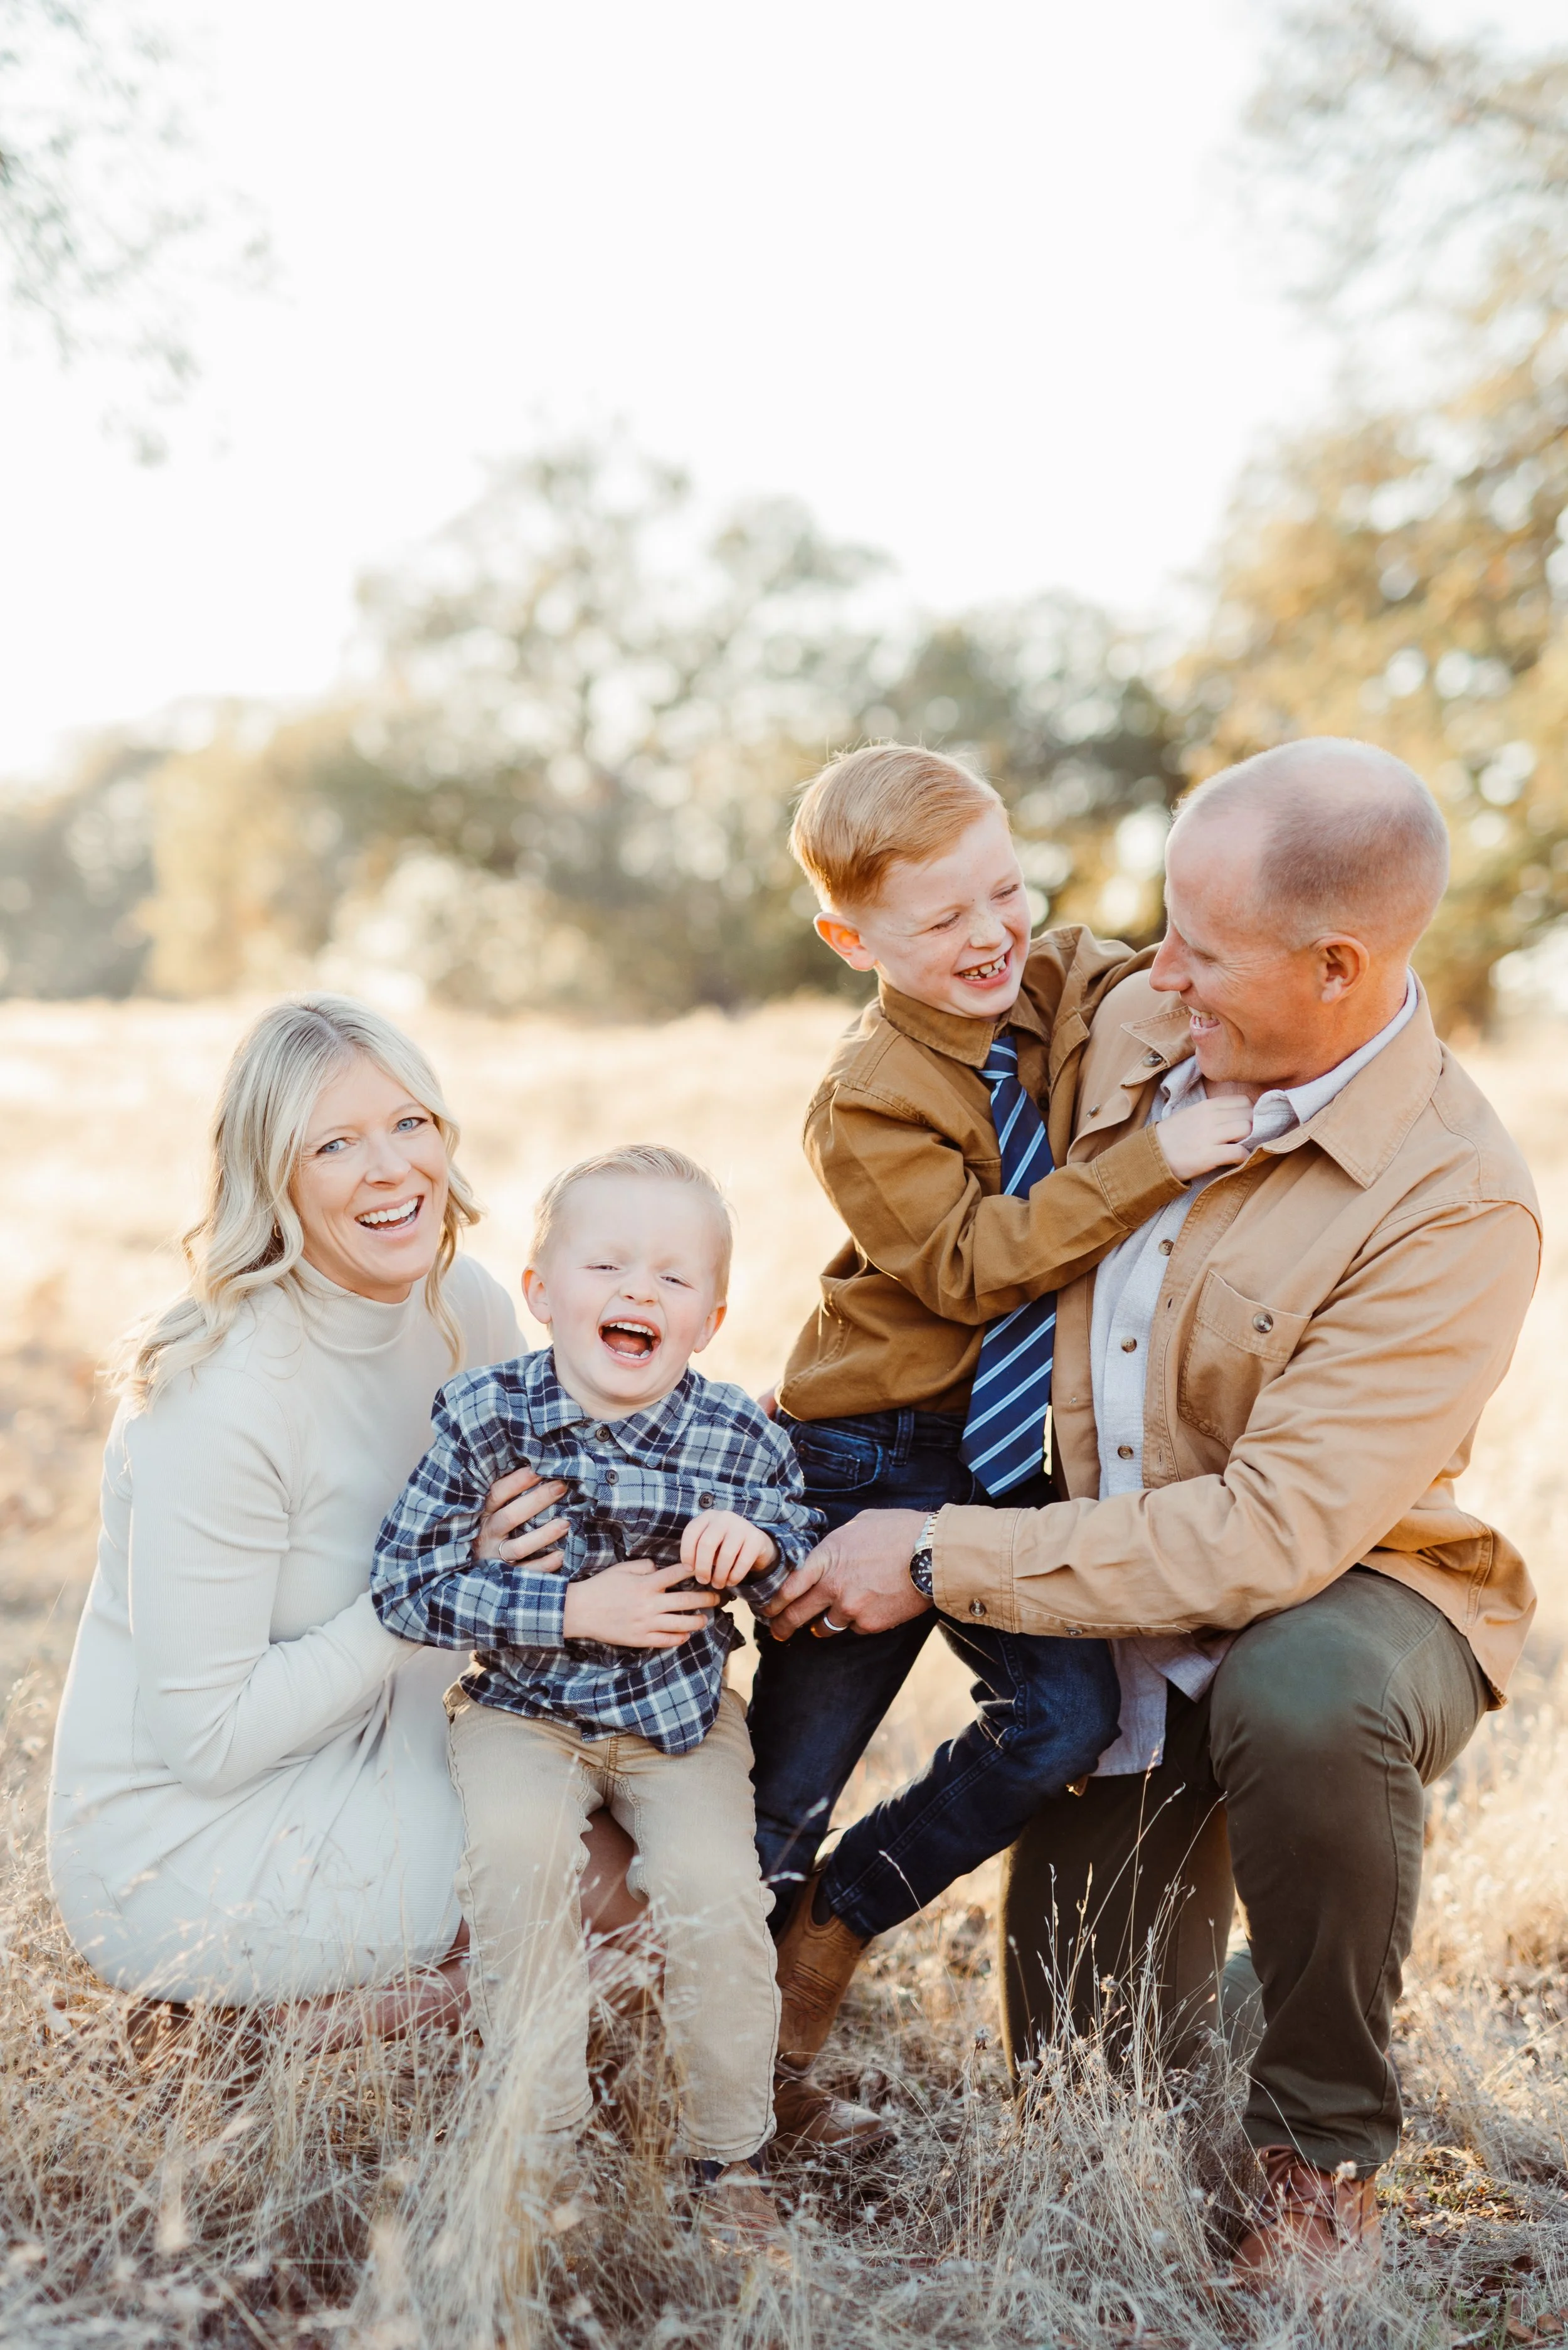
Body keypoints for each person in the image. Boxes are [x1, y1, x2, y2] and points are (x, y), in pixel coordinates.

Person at [763, 739, 1540, 2282]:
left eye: (1196, 949)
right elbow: (952, 970)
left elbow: (1266, 1538)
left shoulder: (1452, 1199)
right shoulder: (1134, 1011)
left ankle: (1320, 2140)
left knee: (1299, 1688)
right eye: (1154, 928)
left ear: (1336, 964)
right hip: (1107, 1594)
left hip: (1333, 1594)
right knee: (1090, 2078)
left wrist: (930, 1551)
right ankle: (1272, 1975)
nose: (1145, 971)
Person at [748, 743, 1253, 2083]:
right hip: (871, 1449)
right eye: (941, 918)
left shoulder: (1043, 974)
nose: (992, 934)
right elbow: (971, 1263)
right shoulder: (863, 1099)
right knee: (779, 1791)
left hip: (1009, 1447)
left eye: (1004, 890)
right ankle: (718, 2080)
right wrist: (1153, 1165)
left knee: (1060, 1720)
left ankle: (837, 1922)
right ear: (848, 938)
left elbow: (1143, 971)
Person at [47, 994, 638, 2033]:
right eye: (335, 1143)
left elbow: (561, 1510)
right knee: (617, 1922)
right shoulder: (220, 1393)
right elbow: (211, 1739)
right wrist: (438, 1588)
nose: (390, 1169)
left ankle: (383, 2010)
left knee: (681, 1857)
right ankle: (301, 2032)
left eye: (408, 1123)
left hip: (387, 1736)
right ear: (273, 1180)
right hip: (195, 1831)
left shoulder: (470, 1310)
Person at [372, 1146, 824, 2249]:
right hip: (521, 1708)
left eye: (672, 1278)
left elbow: (796, 1563)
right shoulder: (485, 1417)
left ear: (711, 1318)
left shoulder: (736, 1433)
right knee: (521, 1858)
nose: (637, 1291)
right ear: (540, 1293)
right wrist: (574, 1610)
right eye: (607, 1263)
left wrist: (757, 1544)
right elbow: (405, 1584)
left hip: (679, 1722)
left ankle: (728, 2151)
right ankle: (541, 2132)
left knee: (717, 1889)